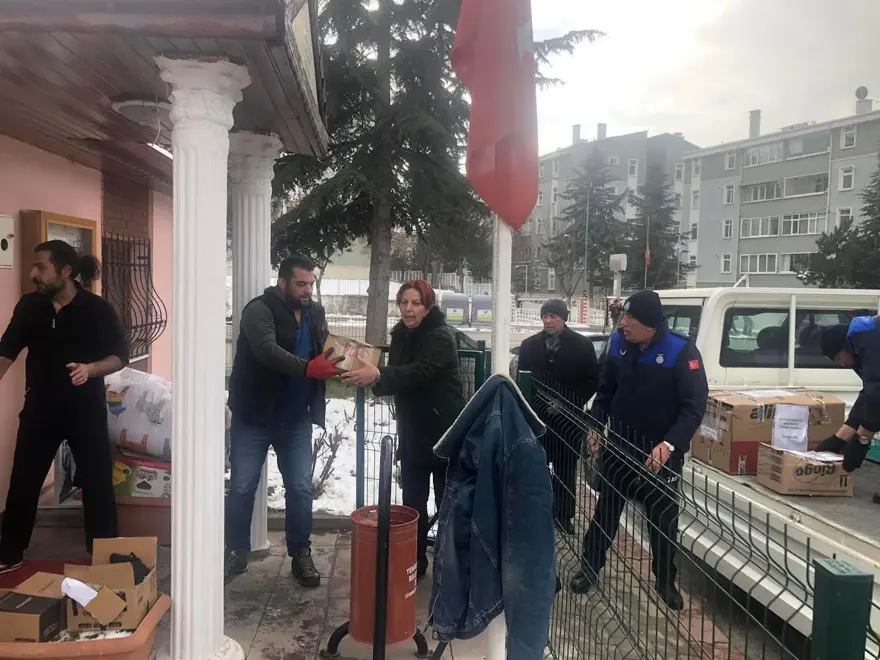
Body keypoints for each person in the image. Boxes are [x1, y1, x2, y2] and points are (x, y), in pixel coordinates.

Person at [570, 290, 708, 610]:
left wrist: (670, 444)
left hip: (660, 454)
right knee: (606, 511)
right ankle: (590, 567)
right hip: (620, 446)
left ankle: (664, 580)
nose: (624, 324)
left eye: (630, 319)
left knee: (661, 520)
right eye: (624, 316)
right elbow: (606, 392)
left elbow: (693, 408)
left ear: (649, 324)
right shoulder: (618, 344)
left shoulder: (681, 351)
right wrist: (595, 426)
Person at [0, 240, 128, 575]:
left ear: (65, 271)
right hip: (40, 406)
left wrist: (91, 369)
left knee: (98, 482)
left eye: (40, 267)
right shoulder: (30, 307)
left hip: (84, 408)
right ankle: (9, 551)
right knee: (24, 478)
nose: (33, 274)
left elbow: (119, 356)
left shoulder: (96, 310)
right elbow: (6, 351)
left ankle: (104, 554)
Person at [225, 255, 344, 585]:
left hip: (295, 418)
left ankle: (300, 553)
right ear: (283, 283)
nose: (307, 291)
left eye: (311, 284)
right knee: (243, 485)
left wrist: (347, 365)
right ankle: (236, 550)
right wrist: (307, 368)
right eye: (300, 284)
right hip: (254, 416)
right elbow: (266, 350)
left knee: (301, 488)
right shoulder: (258, 310)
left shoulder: (314, 313)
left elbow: (325, 351)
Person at [342, 280, 466, 578]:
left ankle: (452, 567)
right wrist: (372, 376)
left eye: (415, 303)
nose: (408, 309)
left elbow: (419, 371)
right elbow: (398, 376)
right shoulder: (400, 334)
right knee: (413, 501)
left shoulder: (441, 337)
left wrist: (380, 373)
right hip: (412, 431)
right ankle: (416, 561)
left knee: (448, 501)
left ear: (428, 306)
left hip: (444, 432)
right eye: (404, 303)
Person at [517, 299, 599, 534]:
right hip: (537, 419)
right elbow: (523, 381)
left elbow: (592, 381)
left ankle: (563, 516)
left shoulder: (582, 346)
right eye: (545, 316)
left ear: (564, 318)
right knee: (535, 467)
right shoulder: (529, 345)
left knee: (565, 470)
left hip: (568, 421)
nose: (548, 320)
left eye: (553, 316)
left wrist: (567, 404)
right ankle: (535, 511)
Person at [816, 316, 880, 477]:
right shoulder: (858, 347)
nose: (842, 364)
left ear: (843, 346)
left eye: (838, 358)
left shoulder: (868, 340)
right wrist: (840, 438)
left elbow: (877, 391)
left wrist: (862, 439)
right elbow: (869, 393)